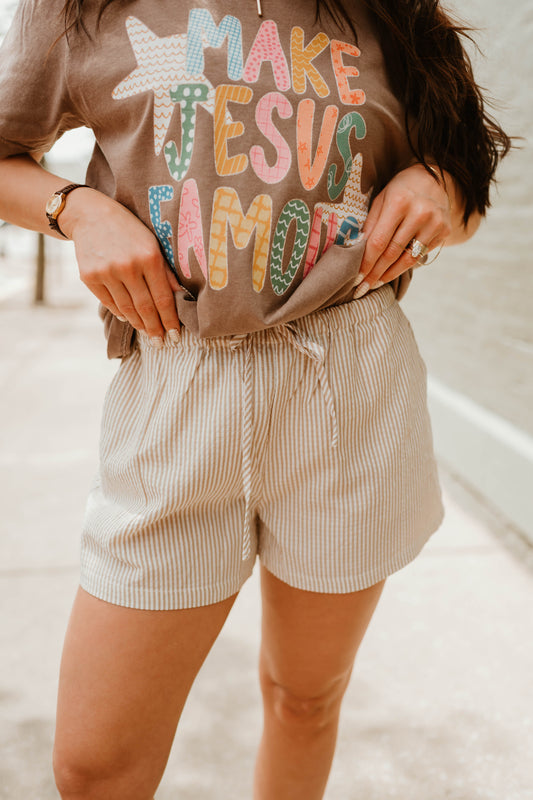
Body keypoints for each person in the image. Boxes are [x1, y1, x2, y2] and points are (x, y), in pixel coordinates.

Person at [0, 0, 511, 797]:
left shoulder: (390, 11)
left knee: (304, 700)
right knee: (93, 768)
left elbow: (465, 193)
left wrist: (440, 186)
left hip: (348, 380)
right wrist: (79, 210)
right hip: (178, 381)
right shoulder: (77, 11)